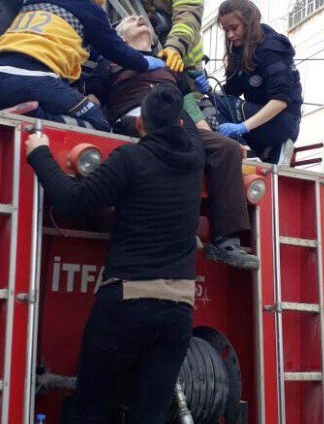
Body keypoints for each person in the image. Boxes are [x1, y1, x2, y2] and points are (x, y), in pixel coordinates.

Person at [26, 86, 204, 424]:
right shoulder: (192, 161)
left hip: (125, 303)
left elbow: (73, 201)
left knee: (88, 418)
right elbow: (182, 126)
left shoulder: (131, 158)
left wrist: (39, 150)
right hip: (178, 312)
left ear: (141, 125)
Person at [87, 15, 258, 270]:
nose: (140, 19)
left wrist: (212, 138)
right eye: (132, 20)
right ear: (120, 37)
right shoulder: (108, 63)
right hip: (133, 123)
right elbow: (92, 103)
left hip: (177, 124)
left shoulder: (170, 66)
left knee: (227, 150)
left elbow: (189, 106)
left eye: (142, 18)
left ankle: (225, 241)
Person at [0, 0, 165, 130]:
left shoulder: (35, 0)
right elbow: (114, 49)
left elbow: (75, 41)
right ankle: (34, 116)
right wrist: (144, 62)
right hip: (36, 80)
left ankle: (29, 113)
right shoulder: (87, 7)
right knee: (99, 124)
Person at [215, 0, 302, 165]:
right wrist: (203, 88)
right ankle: (266, 151)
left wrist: (243, 127)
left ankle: (250, 151)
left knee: (218, 104)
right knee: (211, 102)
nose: (230, 35)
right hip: (262, 118)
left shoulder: (269, 48)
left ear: (248, 23)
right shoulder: (239, 51)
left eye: (234, 28)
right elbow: (231, 92)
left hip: (284, 120)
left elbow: (281, 101)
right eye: (226, 30)